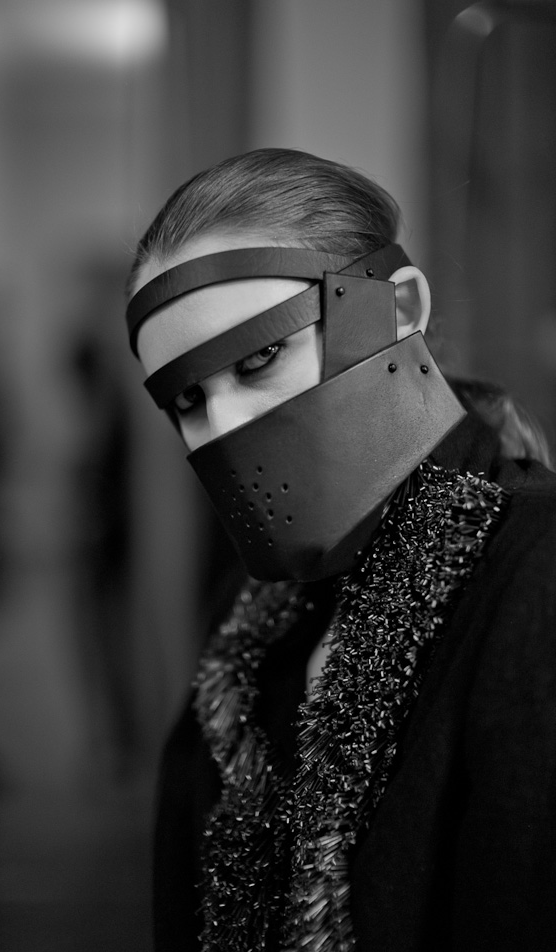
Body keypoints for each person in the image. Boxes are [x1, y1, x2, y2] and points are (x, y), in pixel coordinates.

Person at [124, 149, 556, 952]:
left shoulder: (534, 570)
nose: (222, 430)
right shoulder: (249, 621)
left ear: (397, 308)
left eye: (259, 358)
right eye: (187, 399)